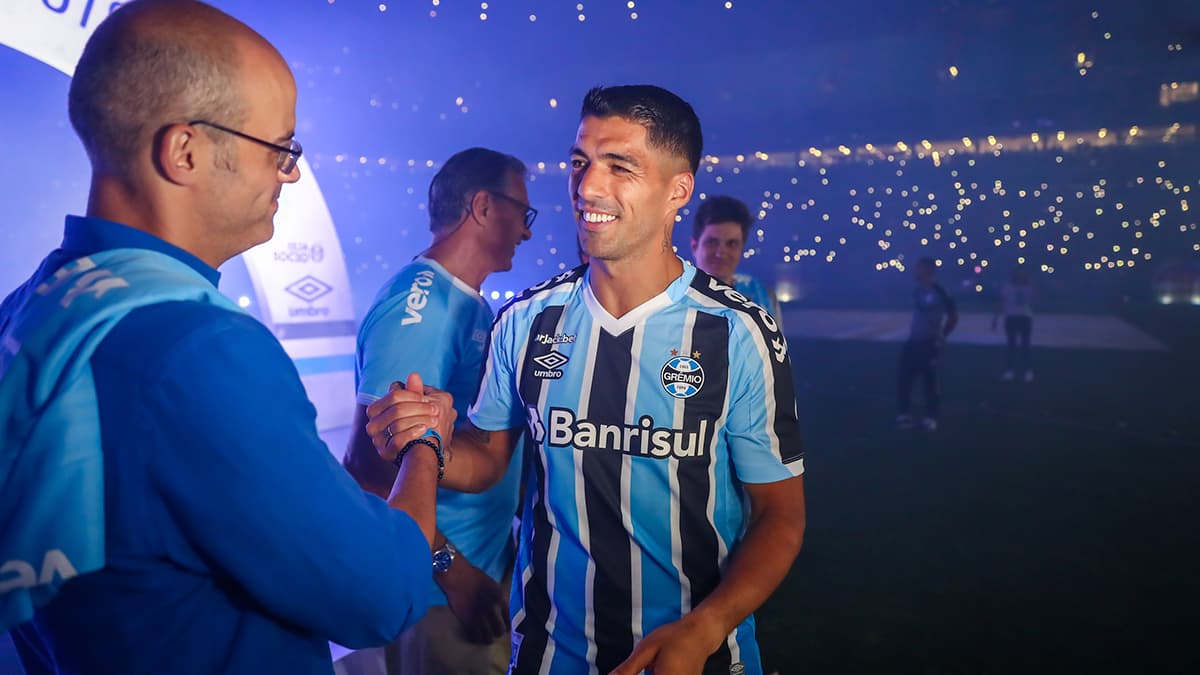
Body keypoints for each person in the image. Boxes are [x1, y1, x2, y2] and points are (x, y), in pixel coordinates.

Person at [0, 2, 442, 673]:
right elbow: (379, 592)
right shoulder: (198, 350)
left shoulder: (35, 305)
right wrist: (425, 447)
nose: (288, 173)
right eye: (280, 148)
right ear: (185, 150)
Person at [366, 85, 806, 675]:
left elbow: (781, 516)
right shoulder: (525, 321)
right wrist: (433, 437)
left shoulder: (738, 332)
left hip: (697, 658)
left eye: (619, 166)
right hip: (549, 655)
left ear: (678, 190)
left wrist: (705, 627)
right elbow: (490, 460)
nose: (587, 187)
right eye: (580, 163)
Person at [341, 147, 533, 675]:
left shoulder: (466, 303)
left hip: (470, 579)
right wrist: (453, 572)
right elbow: (368, 471)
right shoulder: (420, 311)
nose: (527, 231)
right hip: (441, 599)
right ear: (483, 207)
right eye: (523, 212)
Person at [690, 195, 782, 322]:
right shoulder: (673, 299)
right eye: (712, 242)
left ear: (741, 248)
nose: (721, 253)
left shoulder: (763, 298)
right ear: (695, 246)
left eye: (732, 244)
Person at [896, 257, 959, 432]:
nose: (915, 271)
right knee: (904, 378)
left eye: (918, 268)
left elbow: (953, 316)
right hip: (913, 340)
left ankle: (931, 417)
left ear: (928, 270)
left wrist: (942, 335)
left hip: (929, 342)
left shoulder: (941, 291)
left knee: (929, 381)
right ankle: (904, 414)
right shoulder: (918, 290)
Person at [994, 265, 1034, 382]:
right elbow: (1001, 302)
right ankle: (1010, 370)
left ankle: (1027, 370)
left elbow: (1034, 298)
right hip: (1011, 317)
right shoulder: (1008, 287)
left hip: (1025, 317)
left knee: (1025, 345)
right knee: (1011, 345)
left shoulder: (1029, 287)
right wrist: (995, 318)